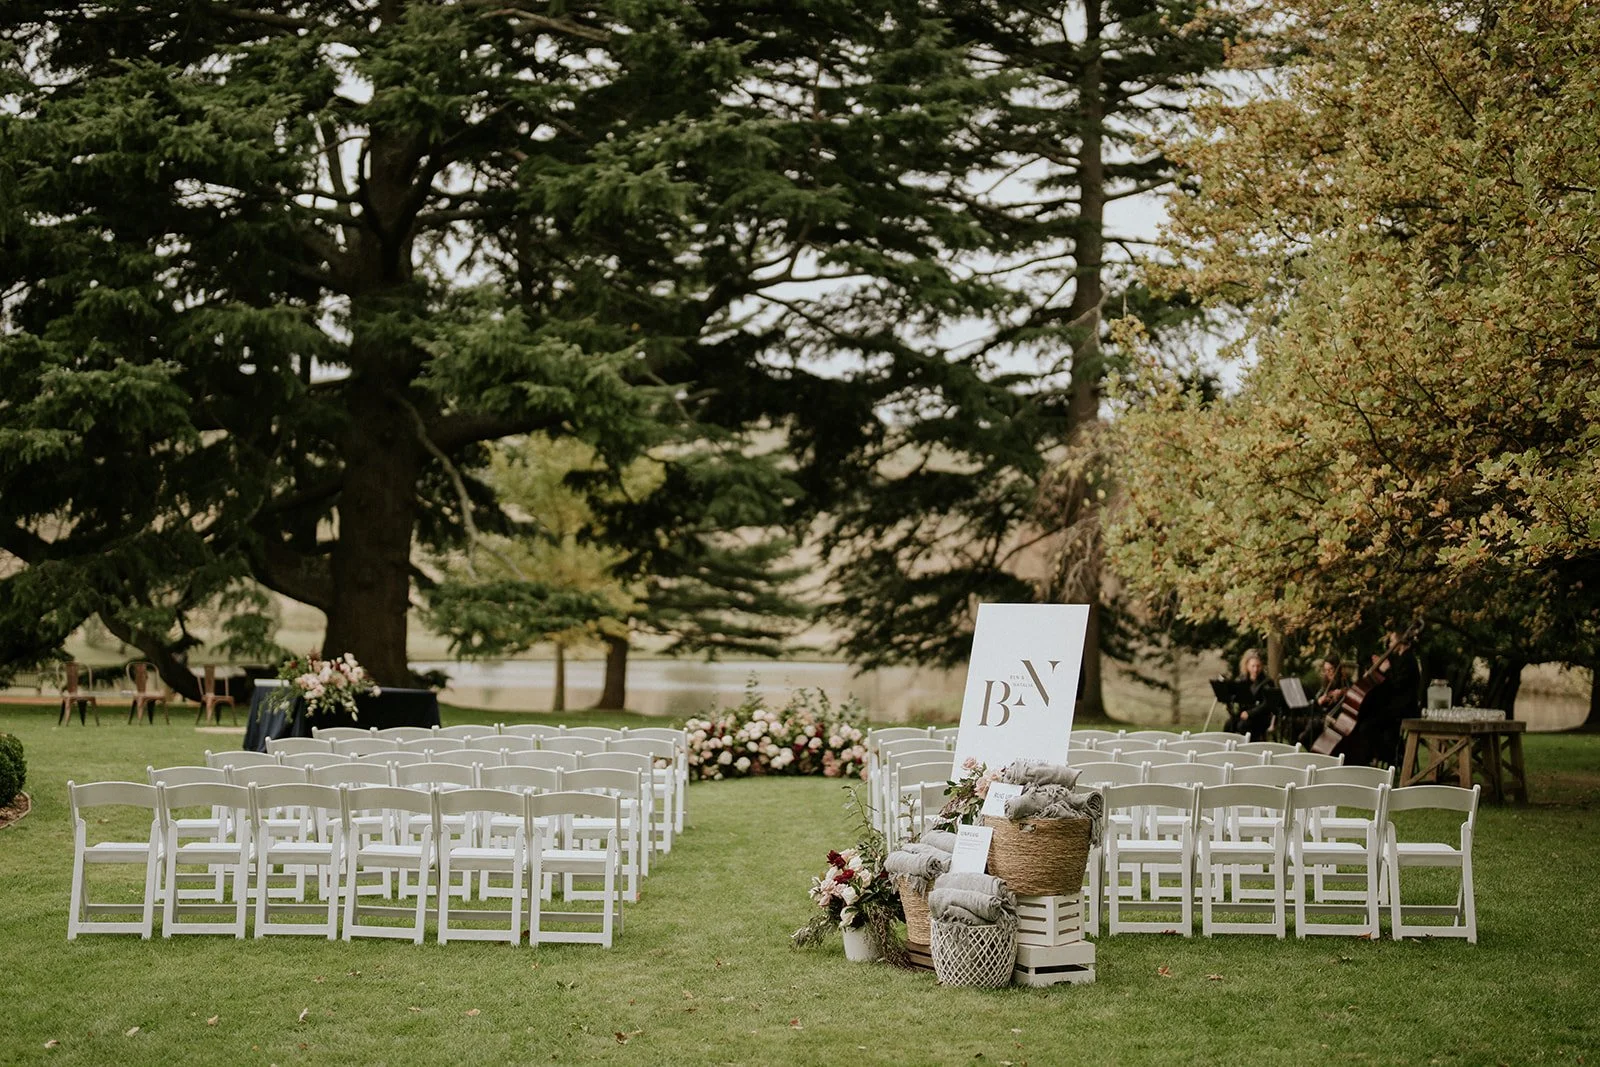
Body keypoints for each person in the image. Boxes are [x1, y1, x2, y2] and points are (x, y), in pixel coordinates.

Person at [1226, 650, 1279, 742]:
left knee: (1243, 725)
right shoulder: (1242, 680)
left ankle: (1248, 746)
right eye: (1253, 666)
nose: (1255, 669)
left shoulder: (1267, 682)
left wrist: (1250, 713)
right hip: (1245, 713)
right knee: (1229, 724)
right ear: (1247, 666)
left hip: (1260, 716)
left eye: (1258, 666)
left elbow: (1267, 704)